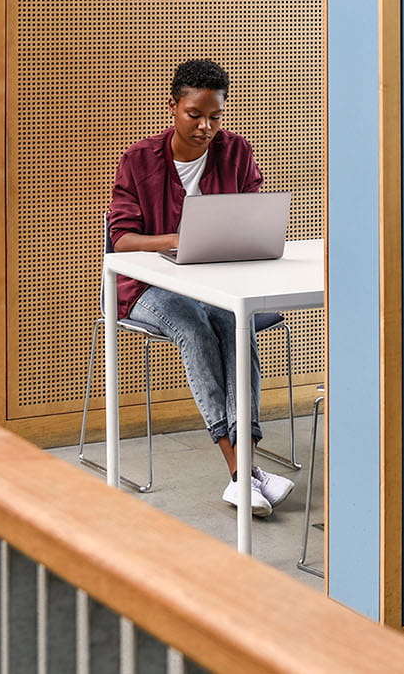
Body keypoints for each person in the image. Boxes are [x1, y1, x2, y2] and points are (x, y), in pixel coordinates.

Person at [107, 59, 294, 518]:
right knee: (193, 328)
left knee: (236, 324)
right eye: (195, 115)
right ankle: (240, 471)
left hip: (217, 281)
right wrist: (175, 240)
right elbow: (121, 238)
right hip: (146, 287)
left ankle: (245, 472)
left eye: (215, 116)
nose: (206, 126)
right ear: (173, 107)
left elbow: (252, 220)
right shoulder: (139, 159)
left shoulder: (237, 152)